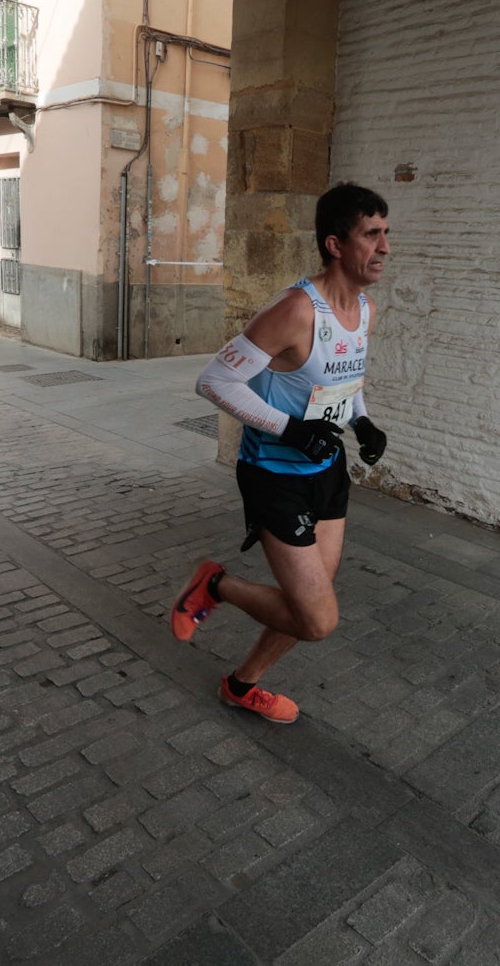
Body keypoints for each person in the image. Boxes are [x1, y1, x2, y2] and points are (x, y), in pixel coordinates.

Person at [172, 183, 392, 724]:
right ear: (335, 244)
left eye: (386, 234)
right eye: (372, 235)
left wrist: (361, 420)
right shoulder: (296, 310)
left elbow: (344, 379)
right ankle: (216, 584)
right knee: (317, 620)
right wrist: (289, 429)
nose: (385, 247)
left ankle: (241, 685)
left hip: (328, 472)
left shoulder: (364, 309)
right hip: (274, 474)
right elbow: (214, 381)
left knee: (309, 601)